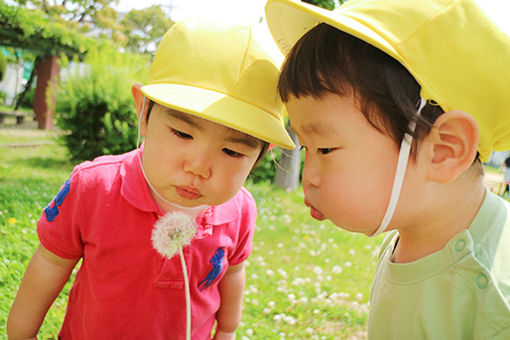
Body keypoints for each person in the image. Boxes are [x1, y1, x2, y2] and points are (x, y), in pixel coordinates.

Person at [7, 16, 295, 340]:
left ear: (261, 153)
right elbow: (50, 262)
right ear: (143, 112)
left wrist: (226, 331)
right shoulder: (93, 187)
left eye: (232, 152)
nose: (198, 167)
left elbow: (233, 273)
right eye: (182, 133)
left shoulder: (240, 210)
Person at [264, 0, 510, 338]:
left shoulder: (496, 297)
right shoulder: (407, 235)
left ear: (443, 150)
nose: (310, 176)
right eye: (306, 149)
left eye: (325, 149)